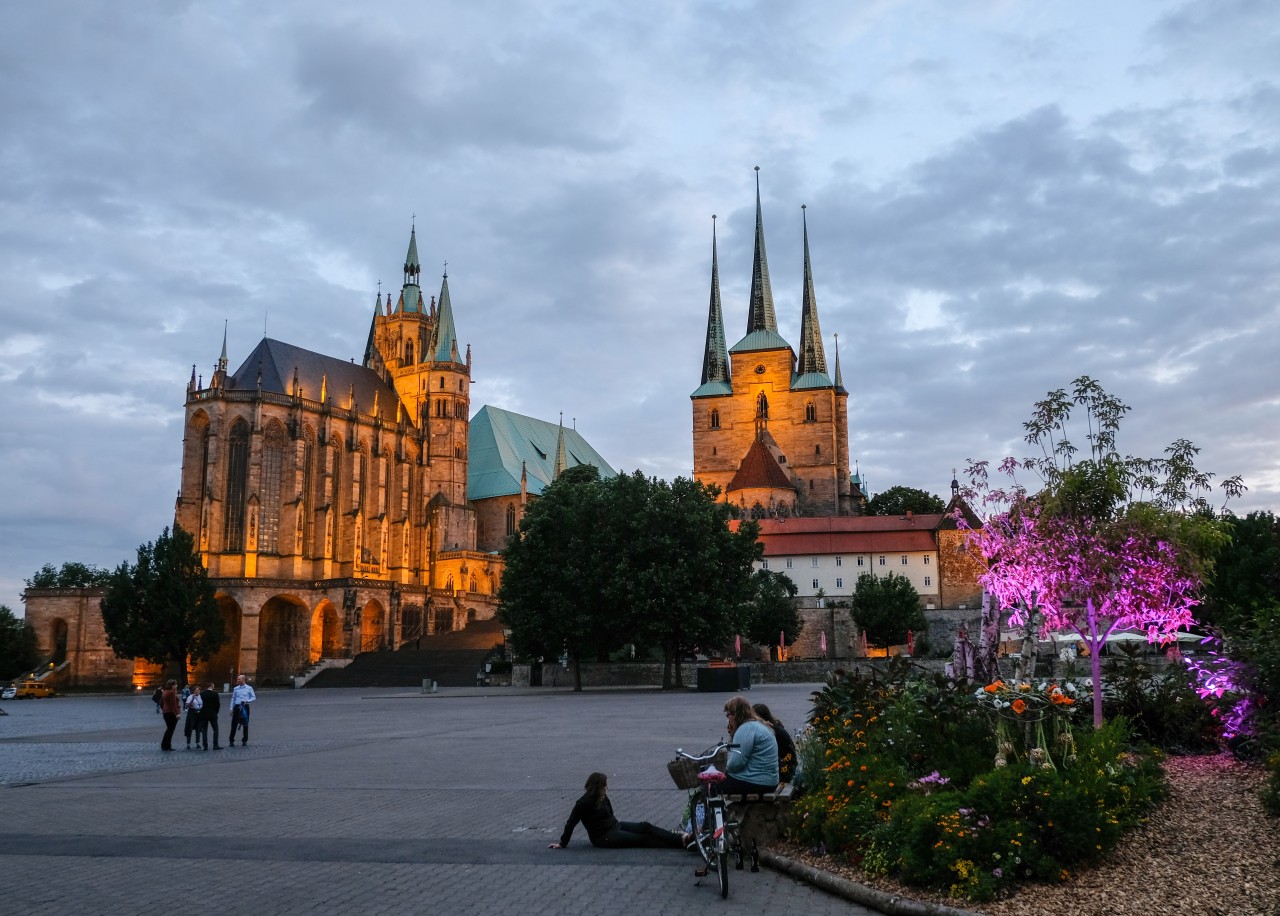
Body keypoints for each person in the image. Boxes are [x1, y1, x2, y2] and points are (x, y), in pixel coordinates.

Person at [549, 772, 685, 850]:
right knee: (642, 839)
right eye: (605, 785)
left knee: (645, 826)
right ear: (598, 786)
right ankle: (680, 844)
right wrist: (562, 843)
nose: (607, 787)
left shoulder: (602, 797)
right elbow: (571, 822)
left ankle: (680, 839)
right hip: (603, 837)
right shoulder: (583, 803)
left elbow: (611, 814)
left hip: (615, 826)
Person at [720, 696, 778, 795]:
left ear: (736, 714)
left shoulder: (745, 729)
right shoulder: (760, 725)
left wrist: (721, 771)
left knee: (710, 785)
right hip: (770, 781)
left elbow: (736, 763)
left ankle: (710, 810)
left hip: (755, 781)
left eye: (728, 714)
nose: (727, 718)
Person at [752, 703, 797, 784]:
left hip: (785, 770)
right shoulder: (775, 727)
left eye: (754, 718)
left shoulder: (771, 731)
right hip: (788, 766)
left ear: (762, 718)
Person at [228, 674, 256, 746]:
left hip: (245, 707)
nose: (238, 681)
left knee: (245, 723)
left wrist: (248, 700)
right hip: (237, 707)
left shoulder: (249, 688)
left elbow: (254, 697)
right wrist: (231, 708)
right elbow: (233, 699)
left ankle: (244, 740)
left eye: (239, 679)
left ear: (243, 680)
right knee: (234, 723)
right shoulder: (236, 688)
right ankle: (231, 740)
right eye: (238, 679)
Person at [159, 680, 181, 751]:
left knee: (169, 729)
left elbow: (161, 703)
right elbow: (173, 705)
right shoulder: (171, 693)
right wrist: (177, 714)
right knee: (170, 730)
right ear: (173, 686)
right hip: (171, 713)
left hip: (166, 713)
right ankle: (167, 745)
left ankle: (164, 745)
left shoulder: (165, 692)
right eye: (175, 685)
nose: (176, 686)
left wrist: (164, 710)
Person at [199, 682, 221, 750]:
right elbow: (218, 705)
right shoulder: (215, 694)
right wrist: (216, 712)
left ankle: (205, 746)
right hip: (213, 714)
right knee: (215, 729)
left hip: (204, 714)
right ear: (211, 686)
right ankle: (215, 745)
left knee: (204, 730)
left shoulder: (202, 694)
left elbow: (200, 703)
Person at [183, 683, 203, 749]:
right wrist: (191, 700)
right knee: (190, 728)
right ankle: (188, 744)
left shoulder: (201, 696)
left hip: (199, 713)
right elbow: (186, 706)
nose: (197, 691)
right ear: (193, 691)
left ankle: (198, 743)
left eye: (198, 690)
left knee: (198, 728)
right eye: (195, 690)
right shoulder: (190, 696)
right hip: (192, 713)